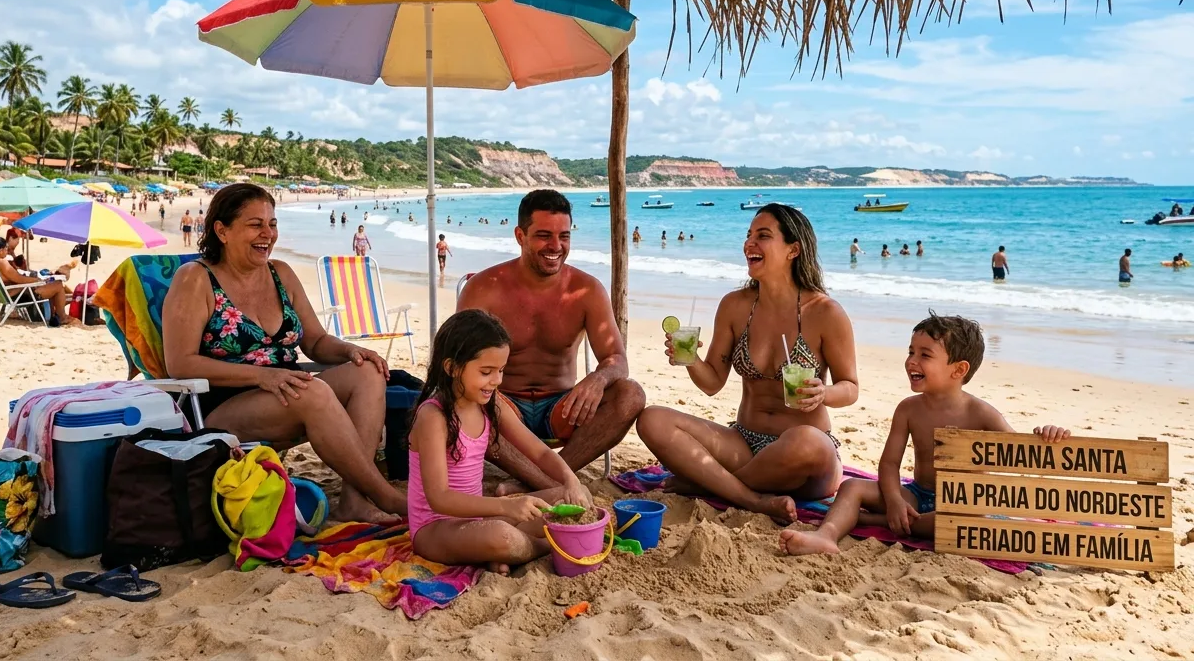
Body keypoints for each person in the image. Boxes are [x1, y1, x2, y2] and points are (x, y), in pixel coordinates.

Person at [162, 183, 405, 523]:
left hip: (287, 392)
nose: (268, 234)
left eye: (272, 224)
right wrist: (263, 376)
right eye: (255, 224)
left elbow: (315, 341)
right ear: (222, 230)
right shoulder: (196, 279)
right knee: (312, 391)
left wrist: (351, 350)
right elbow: (180, 363)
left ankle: (354, 497)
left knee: (367, 371)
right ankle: (386, 495)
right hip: (220, 408)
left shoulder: (281, 274)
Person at [636, 204, 858, 519]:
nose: (749, 244)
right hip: (743, 442)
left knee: (806, 440)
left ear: (793, 249)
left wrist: (824, 393)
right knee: (652, 419)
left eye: (763, 236)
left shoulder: (825, 313)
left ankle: (711, 484)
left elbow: (850, 388)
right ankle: (751, 499)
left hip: (805, 456)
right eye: (748, 235)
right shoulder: (734, 306)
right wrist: (691, 359)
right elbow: (712, 382)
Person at [780, 313, 1069, 554]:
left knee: (965, 519)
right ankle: (827, 534)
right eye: (911, 352)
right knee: (852, 487)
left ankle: (880, 521)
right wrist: (894, 500)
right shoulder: (908, 409)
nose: (911, 361)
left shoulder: (981, 413)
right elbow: (890, 464)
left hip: (958, 502)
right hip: (916, 495)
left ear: (958, 370)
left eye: (925, 355)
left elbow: (1019, 454)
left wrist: (1047, 435)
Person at [457, 190, 646, 493]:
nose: (556, 247)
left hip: (563, 409)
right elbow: (457, 361)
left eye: (564, 236)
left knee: (630, 394)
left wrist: (598, 378)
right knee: (458, 397)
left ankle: (538, 481)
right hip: (501, 406)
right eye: (543, 236)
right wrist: (488, 394)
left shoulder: (586, 290)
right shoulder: (484, 288)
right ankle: (548, 483)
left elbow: (616, 359)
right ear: (520, 235)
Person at [407, 309, 592, 573]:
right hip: (435, 529)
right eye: (486, 372)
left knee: (574, 497)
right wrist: (507, 506)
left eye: (501, 371)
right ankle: (547, 546)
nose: (496, 381)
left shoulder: (490, 403)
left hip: (477, 519)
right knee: (502, 537)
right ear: (451, 368)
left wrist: (570, 479)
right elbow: (440, 498)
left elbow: (538, 453)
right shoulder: (433, 416)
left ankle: (507, 551)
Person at [0, 237, 76, 326]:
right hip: (17, 294)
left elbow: (13, 278)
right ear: (0, 250)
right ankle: (62, 317)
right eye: (6, 248)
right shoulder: (1, 262)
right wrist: (38, 280)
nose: (7, 250)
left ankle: (53, 314)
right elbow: (19, 279)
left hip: (3, 294)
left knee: (51, 284)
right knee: (58, 285)